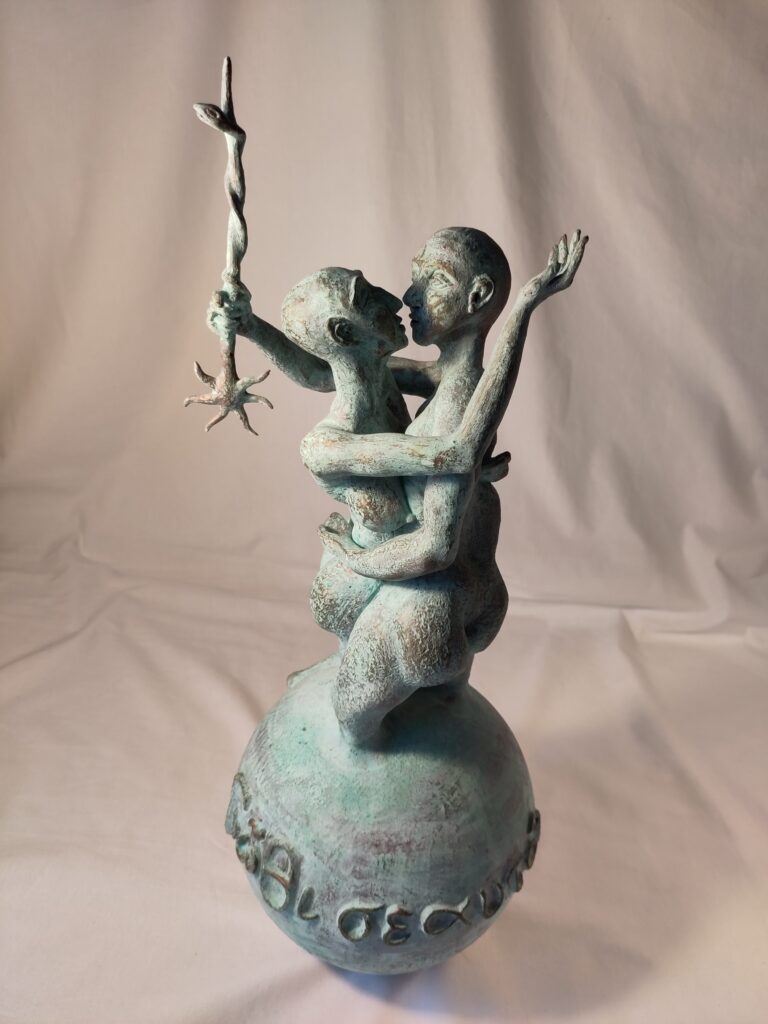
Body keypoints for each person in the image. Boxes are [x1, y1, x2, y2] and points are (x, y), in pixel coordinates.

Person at [210, 228, 587, 742]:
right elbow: (323, 374)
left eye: (430, 279)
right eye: (371, 296)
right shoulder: (374, 403)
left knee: (351, 727)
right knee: (437, 701)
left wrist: (522, 310)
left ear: (477, 297)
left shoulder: (395, 399)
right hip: (458, 586)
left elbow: (454, 460)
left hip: (415, 601)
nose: (400, 296)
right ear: (347, 334)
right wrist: (251, 326)